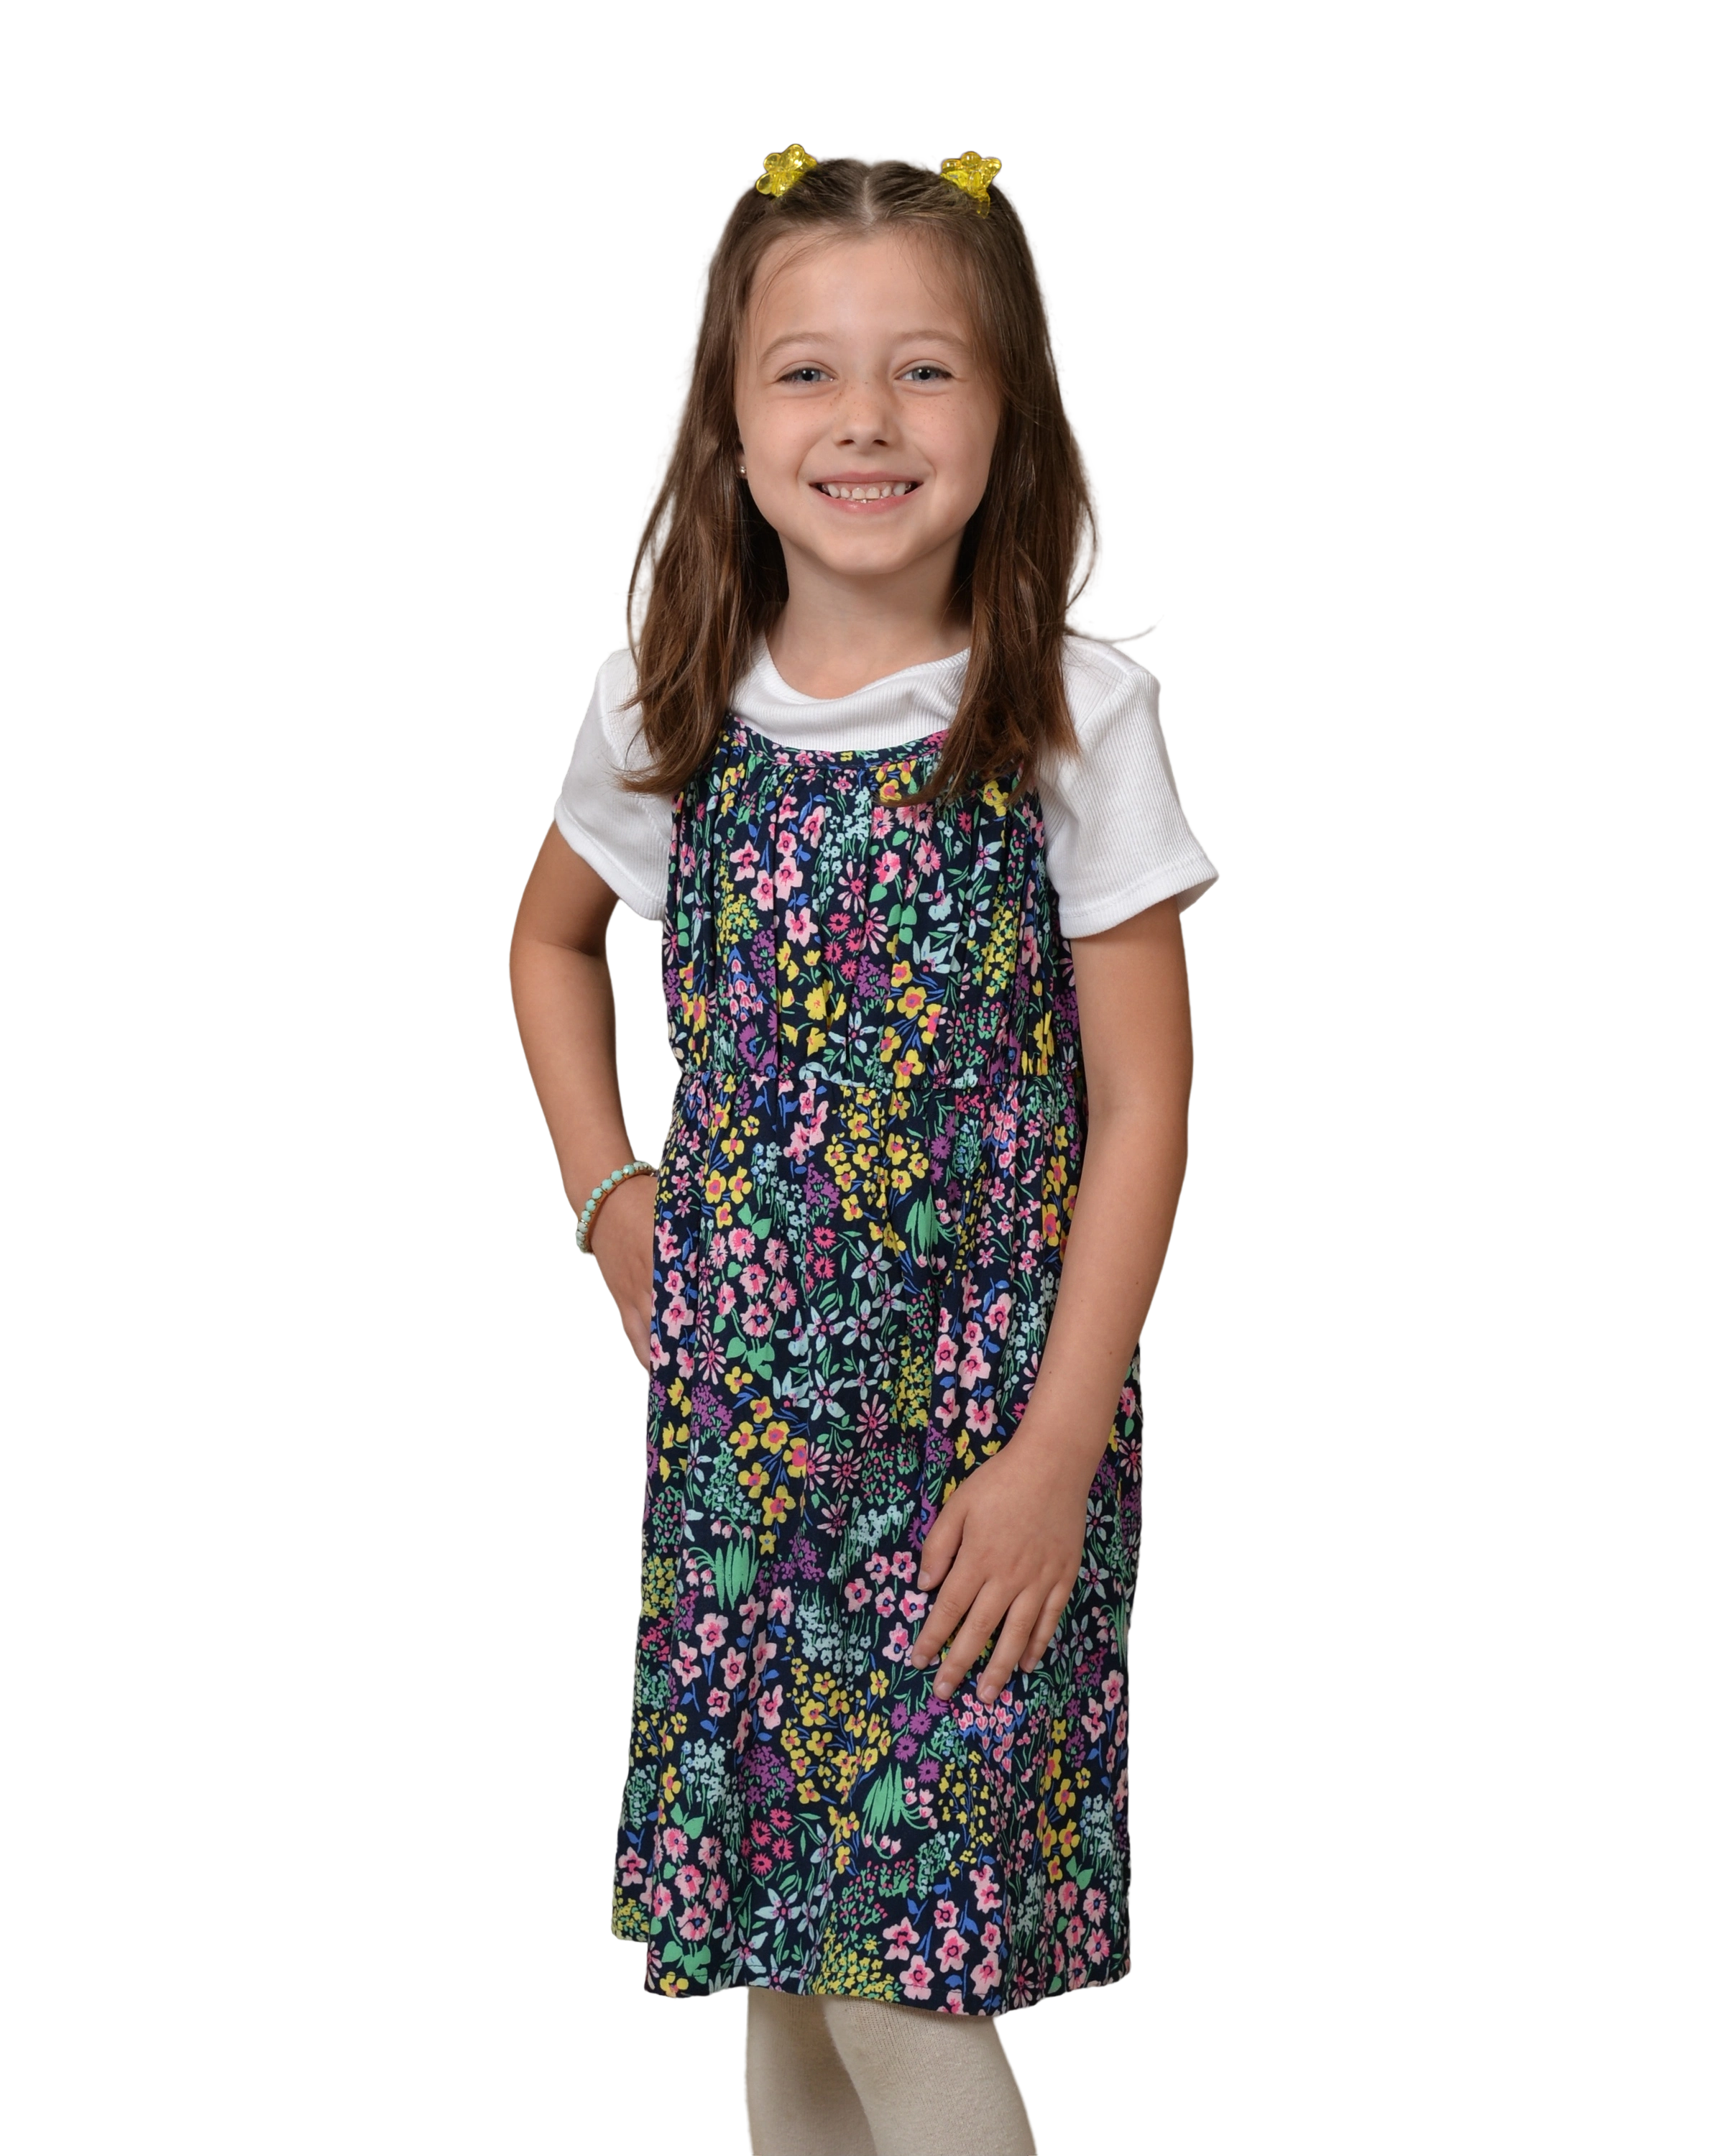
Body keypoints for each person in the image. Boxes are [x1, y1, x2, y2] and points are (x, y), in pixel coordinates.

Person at [508, 146, 1219, 2156]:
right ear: (727, 424)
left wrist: (1059, 1451)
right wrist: (608, 1195)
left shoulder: (1071, 709)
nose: (867, 420)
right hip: (750, 1432)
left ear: (1010, 408)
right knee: (786, 1955)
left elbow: (1147, 1105)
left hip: (993, 1429)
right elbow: (547, 946)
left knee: (904, 1961)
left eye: (927, 368)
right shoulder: (661, 704)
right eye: (807, 371)